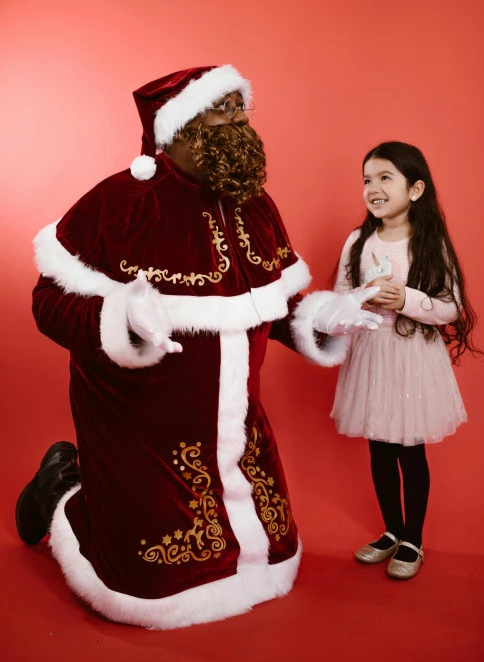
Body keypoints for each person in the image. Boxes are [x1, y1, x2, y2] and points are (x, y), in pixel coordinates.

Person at [16, 65, 381, 629]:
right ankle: (61, 486)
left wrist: (321, 314)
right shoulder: (119, 202)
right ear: (181, 127)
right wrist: (120, 319)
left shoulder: (255, 203)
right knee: (151, 581)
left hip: (238, 423)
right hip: (138, 424)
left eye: (242, 108)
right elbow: (49, 300)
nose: (239, 120)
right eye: (223, 108)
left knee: (275, 553)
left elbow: (269, 303)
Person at [331, 141, 480, 579]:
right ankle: (391, 531)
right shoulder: (357, 241)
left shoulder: (430, 240)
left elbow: (450, 306)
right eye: (366, 180)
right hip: (373, 355)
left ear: (415, 190)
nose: (372, 188)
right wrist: (361, 300)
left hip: (412, 356)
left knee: (409, 450)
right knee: (379, 447)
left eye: (383, 178)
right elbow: (341, 296)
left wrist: (408, 298)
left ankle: (412, 538)